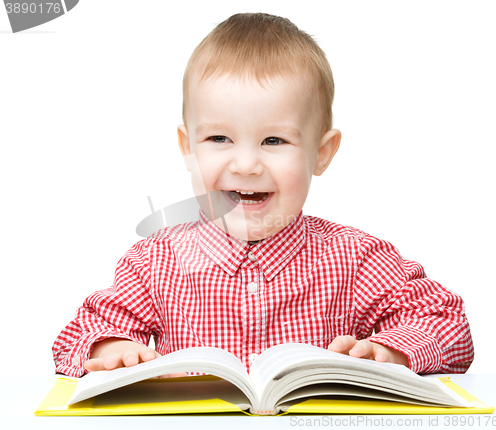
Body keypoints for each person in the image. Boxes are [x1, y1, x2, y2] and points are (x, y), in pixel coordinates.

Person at [52, 13, 473, 378]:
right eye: (219, 138)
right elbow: (77, 335)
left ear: (321, 153)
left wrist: (390, 351)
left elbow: (447, 323)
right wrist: (111, 351)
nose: (247, 164)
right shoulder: (153, 263)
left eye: (274, 140)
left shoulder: (355, 259)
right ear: (188, 148)